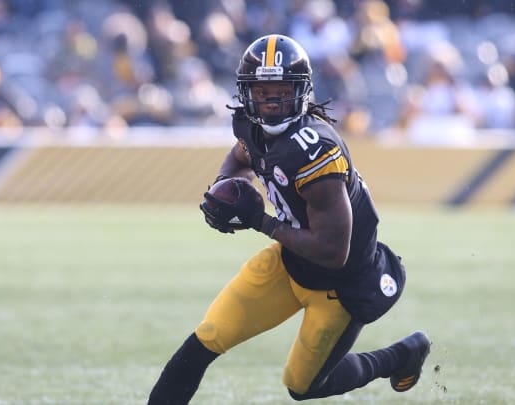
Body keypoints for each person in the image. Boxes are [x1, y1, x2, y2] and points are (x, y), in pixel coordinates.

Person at [147, 34, 431, 404]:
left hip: (338, 284)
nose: (271, 103)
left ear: (302, 91)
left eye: (281, 91)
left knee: (303, 385)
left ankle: (400, 356)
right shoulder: (252, 127)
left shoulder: (314, 152)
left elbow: (333, 252)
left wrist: (259, 221)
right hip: (291, 260)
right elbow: (240, 156)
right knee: (208, 336)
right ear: (247, 93)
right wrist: (225, 187)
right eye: (262, 92)